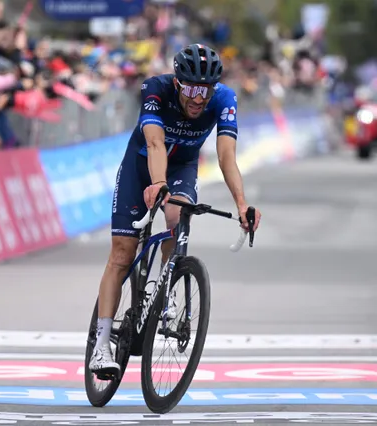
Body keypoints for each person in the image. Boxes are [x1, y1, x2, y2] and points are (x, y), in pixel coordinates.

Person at [89, 43, 262, 375]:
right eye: (193, 89)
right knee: (123, 254)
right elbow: (154, 142)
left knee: (177, 216)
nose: (200, 98)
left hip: (182, 166)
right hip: (142, 166)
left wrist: (242, 205)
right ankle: (100, 347)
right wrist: (157, 183)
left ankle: (166, 298)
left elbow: (227, 156)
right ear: (179, 83)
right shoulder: (155, 89)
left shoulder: (225, 99)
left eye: (207, 90)